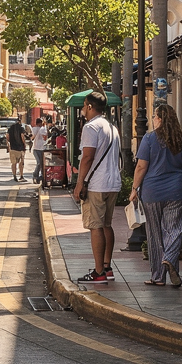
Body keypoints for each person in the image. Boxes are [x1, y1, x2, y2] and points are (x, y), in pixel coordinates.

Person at [134, 103, 182, 288]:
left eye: (154, 116)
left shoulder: (149, 139)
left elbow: (141, 166)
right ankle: (169, 260)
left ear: (159, 119)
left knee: (154, 235)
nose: (153, 119)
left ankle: (158, 277)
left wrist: (134, 188)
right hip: (176, 191)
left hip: (152, 192)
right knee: (174, 230)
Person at [70, 92, 121, 284]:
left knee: (95, 226)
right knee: (107, 224)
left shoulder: (91, 127)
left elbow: (87, 157)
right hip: (112, 183)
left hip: (97, 184)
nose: (83, 110)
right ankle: (107, 267)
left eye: (84, 106)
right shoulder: (111, 127)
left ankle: (99, 272)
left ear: (90, 107)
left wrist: (80, 182)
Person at [5, 116, 29, 183]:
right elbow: (22, 137)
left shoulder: (10, 128)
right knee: (21, 163)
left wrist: (10, 142)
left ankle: (14, 176)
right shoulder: (21, 128)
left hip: (12, 148)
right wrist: (24, 144)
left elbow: (7, 136)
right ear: (19, 121)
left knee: (13, 163)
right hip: (20, 148)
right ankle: (21, 176)